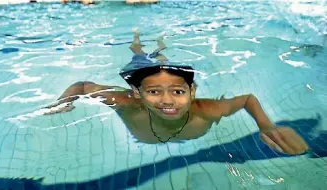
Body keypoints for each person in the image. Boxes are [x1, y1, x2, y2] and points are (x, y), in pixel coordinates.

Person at [44, 28, 309, 155]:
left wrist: (265, 125)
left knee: (159, 60)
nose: (167, 101)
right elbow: (81, 86)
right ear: (137, 93)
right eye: (154, 92)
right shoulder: (125, 102)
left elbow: (247, 99)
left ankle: (159, 47)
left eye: (178, 92)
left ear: (192, 91)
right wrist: (62, 102)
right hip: (139, 72)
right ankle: (136, 44)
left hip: (152, 75)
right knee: (139, 58)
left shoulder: (206, 110)